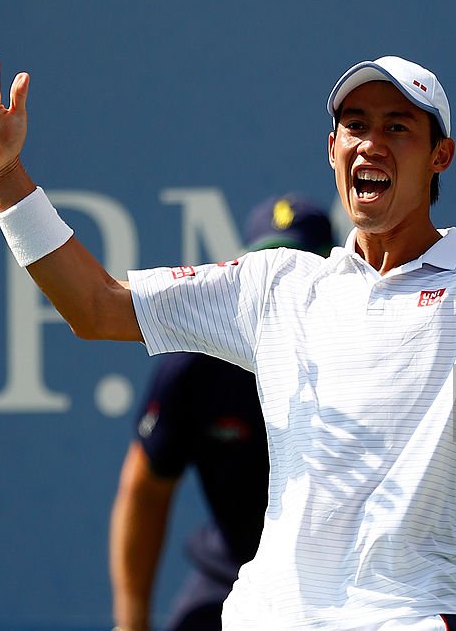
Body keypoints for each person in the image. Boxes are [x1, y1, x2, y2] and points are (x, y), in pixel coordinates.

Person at [0, 52, 456, 630]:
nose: (371, 143)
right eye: (355, 126)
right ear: (333, 149)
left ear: (439, 155)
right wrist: (6, 177)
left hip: (403, 615)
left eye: (397, 127)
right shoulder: (276, 284)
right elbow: (96, 305)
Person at [109, 196, 335, 631]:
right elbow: (145, 489)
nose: (283, 293)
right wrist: (132, 625)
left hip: (345, 584)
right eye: (270, 274)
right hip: (230, 575)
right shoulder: (194, 367)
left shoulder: (370, 356)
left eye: (301, 272)